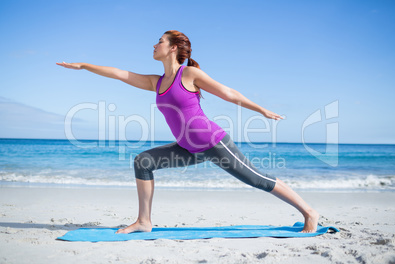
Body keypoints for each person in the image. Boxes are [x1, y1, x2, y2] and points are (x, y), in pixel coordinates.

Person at [57, 30, 319, 233]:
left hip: (213, 142)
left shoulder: (189, 74)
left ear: (172, 48)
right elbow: (119, 74)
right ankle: (144, 221)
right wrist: (84, 66)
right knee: (143, 162)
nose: (153, 45)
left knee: (257, 179)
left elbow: (228, 93)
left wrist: (260, 110)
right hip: (187, 147)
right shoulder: (155, 82)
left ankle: (309, 212)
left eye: (159, 41)